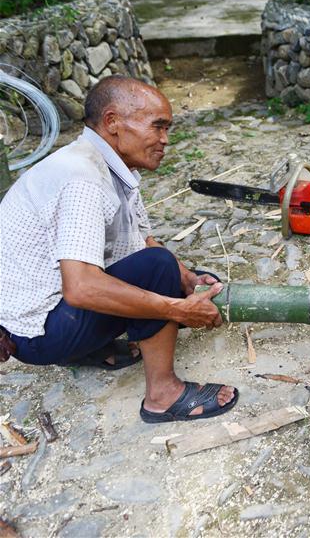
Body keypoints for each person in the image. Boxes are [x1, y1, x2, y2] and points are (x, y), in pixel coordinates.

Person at [0, 76, 238, 423]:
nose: (165, 139)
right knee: (158, 269)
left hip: (43, 310)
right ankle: (163, 395)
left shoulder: (106, 163)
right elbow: (81, 287)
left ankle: (90, 348)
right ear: (113, 122)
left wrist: (187, 278)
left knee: (178, 275)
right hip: (37, 332)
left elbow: (141, 238)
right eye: (157, 126)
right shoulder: (82, 178)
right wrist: (176, 309)